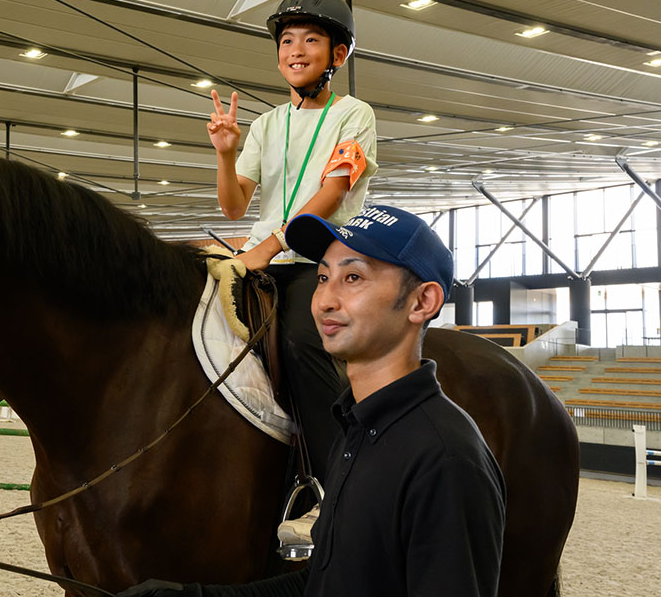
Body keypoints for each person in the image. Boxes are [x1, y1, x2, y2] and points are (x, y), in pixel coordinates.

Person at [120, 205, 506, 597]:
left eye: (353, 277)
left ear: (422, 302)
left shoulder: (445, 459)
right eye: (323, 277)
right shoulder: (355, 432)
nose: (323, 301)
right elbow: (323, 583)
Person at [207, 0, 377, 486]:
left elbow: (334, 189)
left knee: (302, 342)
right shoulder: (266, 124)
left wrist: (271, 245)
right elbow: (234, 204)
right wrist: (224, 153)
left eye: (310, 40)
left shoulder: (355, 114)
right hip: (260, 259)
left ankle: (337, 484)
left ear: (337, 55)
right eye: (286, 41)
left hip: (325, 262)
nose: (295, 51)